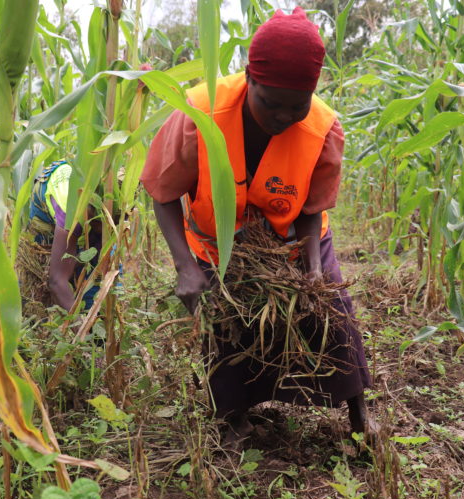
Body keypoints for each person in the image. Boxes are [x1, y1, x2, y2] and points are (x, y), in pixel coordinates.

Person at [140, 7, 373, 443]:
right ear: (250, 77)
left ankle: (360, 417)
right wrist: (185, 267)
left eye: (296, 106)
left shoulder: (323, 128)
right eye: (270, 102)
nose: (283, 116)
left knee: (333, 319)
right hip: (217, 244)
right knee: (225, 324)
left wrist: (313, 271)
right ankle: (233, 422)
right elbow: (163, 192)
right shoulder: (199, 111)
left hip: (295, 238)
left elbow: (310, 209)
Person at [28, 160, 102, 311]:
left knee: (96, 281)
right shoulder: (71, 212)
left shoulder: (119, 200)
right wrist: (80, 329)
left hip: (84, 183)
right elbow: (56, 280)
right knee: (41, 275)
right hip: (47, 197)